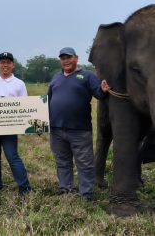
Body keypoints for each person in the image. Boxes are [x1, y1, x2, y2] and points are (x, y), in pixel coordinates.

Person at [48, 47, 110, 201]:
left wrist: (103, 90)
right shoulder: (56, 78)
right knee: (62, 162)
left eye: (69, 57)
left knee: (85, 163)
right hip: (56, 129)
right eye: (63, 58)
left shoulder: (87, 75)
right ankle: (66, 190)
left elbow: (99, 94)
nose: (66, 61)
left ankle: (86, 194)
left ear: (76, 58)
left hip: (79, 129)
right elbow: (47, 101)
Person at [0, 52, 31, 195]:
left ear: (13, 65)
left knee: (12, 156)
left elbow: (25, 106)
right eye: (2, 62)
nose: (5, 65)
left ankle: (24, 187)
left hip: (9, 128)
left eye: (8, 62)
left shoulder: (19, 84)